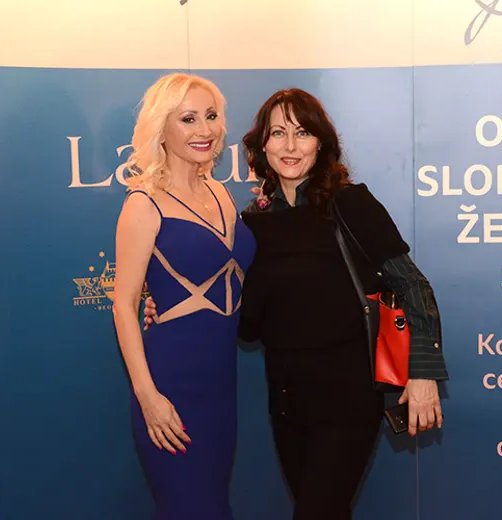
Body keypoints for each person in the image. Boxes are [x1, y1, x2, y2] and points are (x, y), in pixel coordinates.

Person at [144, 88, 448, 519]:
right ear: (262, 145)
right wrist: (170, 304)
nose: (290, 146)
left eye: (302, 133)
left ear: (320, 143)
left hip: (349, 399)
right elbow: (245, 320)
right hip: (287, 402)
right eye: (278, 133)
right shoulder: (251, 223)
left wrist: (423, 374)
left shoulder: (350, 204)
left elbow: (413, 285)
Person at [112, 72, 255, 520]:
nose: (204, 130)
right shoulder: (143, 203)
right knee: (190, 508)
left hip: (221, 387)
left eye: (211, 116)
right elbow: (124, 304)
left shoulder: (222, 193)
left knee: (214, 504)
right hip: (170, 386)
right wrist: (148, 398)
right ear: (162, 128)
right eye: (188, 119)